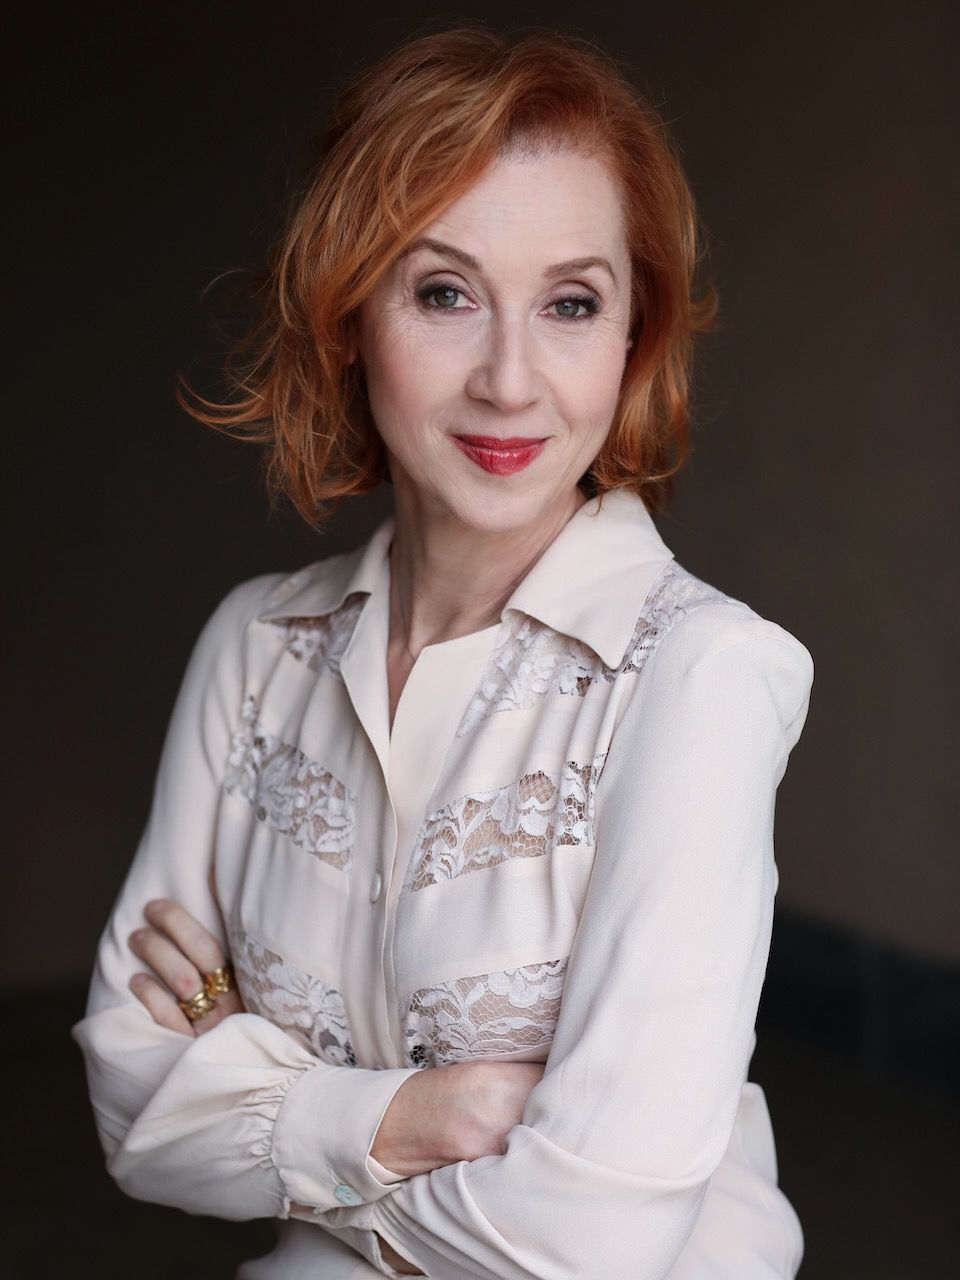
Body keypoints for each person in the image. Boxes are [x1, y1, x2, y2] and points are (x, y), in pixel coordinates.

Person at [72, 23, 814, 1280]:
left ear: (632, 338)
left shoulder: (702, 675)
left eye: (571, 303)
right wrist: (414, 1116)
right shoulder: (256, 649)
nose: (510, 381)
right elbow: (131, 1113)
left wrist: (260, 1091)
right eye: (444, 292)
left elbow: (590, 1241)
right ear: (349, 316)